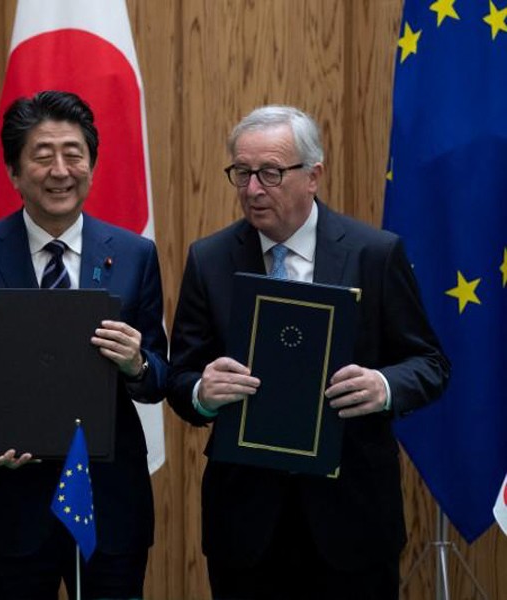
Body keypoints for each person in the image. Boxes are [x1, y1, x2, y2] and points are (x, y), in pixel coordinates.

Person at [167, 105, 450, 599]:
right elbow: (180, 377)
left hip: (352, 520)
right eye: (241, 172)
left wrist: (383, 386)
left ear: (313, 175)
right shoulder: (208, 259)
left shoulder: (374, 254)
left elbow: (429, 364)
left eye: (271, 173)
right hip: (247, 525)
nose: (253, 189)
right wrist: (201, 392)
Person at [0, 90, 168, 600]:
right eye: (42, 155)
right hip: (8, 504)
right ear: (14, 173)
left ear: (92, 166)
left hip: (109, 502)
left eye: (74, 154)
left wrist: (136, 364)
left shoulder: (134, 254)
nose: (61, 170)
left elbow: (159, 375)